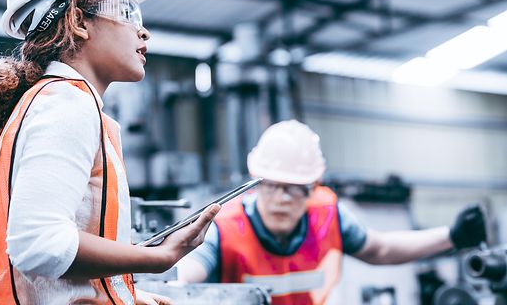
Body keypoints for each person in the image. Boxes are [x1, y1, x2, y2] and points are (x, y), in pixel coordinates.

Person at [0, 0, 220, 305]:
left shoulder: (54, 102)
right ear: (79, 20)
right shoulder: (66, 104)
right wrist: (157, 258)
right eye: (128, 12)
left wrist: (127, 293)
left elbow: (46, 273)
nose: (143, 32)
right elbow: (39, 244)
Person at [176, 120, 486, 305]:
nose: (282, 198)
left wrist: (452, 236)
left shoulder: (329, 218)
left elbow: (380, 249)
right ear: (256, 183)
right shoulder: (225, 227)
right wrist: (165, 283)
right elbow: (188, 272)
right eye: (272, 185)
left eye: (295, 187)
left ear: (312, 187)